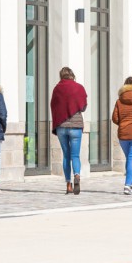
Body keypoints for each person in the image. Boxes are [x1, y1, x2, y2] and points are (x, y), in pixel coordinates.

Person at [50, 67, 87, 195]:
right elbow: (83, 107)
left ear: (61, 76)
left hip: (62, 126)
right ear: (72, 75)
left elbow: (53, 106)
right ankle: (77, 175)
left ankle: (68, 185)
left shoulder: (57, 89)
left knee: (66, 156)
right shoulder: (79, 88)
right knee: (75, 155)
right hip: (76, 126)